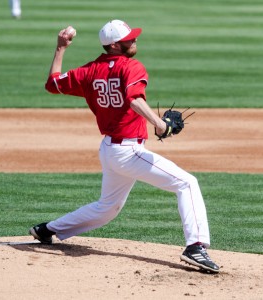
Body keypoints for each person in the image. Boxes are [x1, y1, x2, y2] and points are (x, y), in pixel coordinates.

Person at [29, 20, 220, 273]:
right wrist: (160, 124)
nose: (135, 41)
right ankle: (195, 246)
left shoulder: (89, 71)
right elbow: (134, 100)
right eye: (130, 39)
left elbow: (52, 84)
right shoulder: (131, 67)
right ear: (116, 45)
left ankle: (48, 229)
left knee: (107, 208)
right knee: (186, 183)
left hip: (110, 150)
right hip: (128, 152)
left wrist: (61, 47)